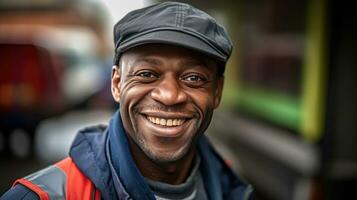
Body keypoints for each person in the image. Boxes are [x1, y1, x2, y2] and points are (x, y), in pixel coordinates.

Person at [1, 2, 254, 200]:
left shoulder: (231, 185)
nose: (169, 95)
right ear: (116, 84)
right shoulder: (42, 196)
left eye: (193, 78)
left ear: (217, 92)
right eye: (146, 74)